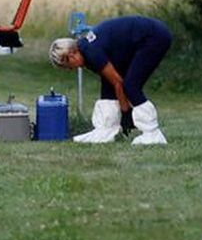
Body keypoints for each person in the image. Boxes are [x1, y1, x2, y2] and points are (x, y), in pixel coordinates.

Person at [48, 16, 172, 145]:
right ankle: (107, 129)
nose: (70, 70)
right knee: (108, 88)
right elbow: (110, 80)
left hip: (153, 37)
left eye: (67, 66)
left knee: (131, 86)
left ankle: (152, 133)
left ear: (71, 55)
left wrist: (126, 113)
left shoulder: (91, 52)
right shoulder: (86, 49)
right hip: (141, 38)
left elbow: (118, 82)